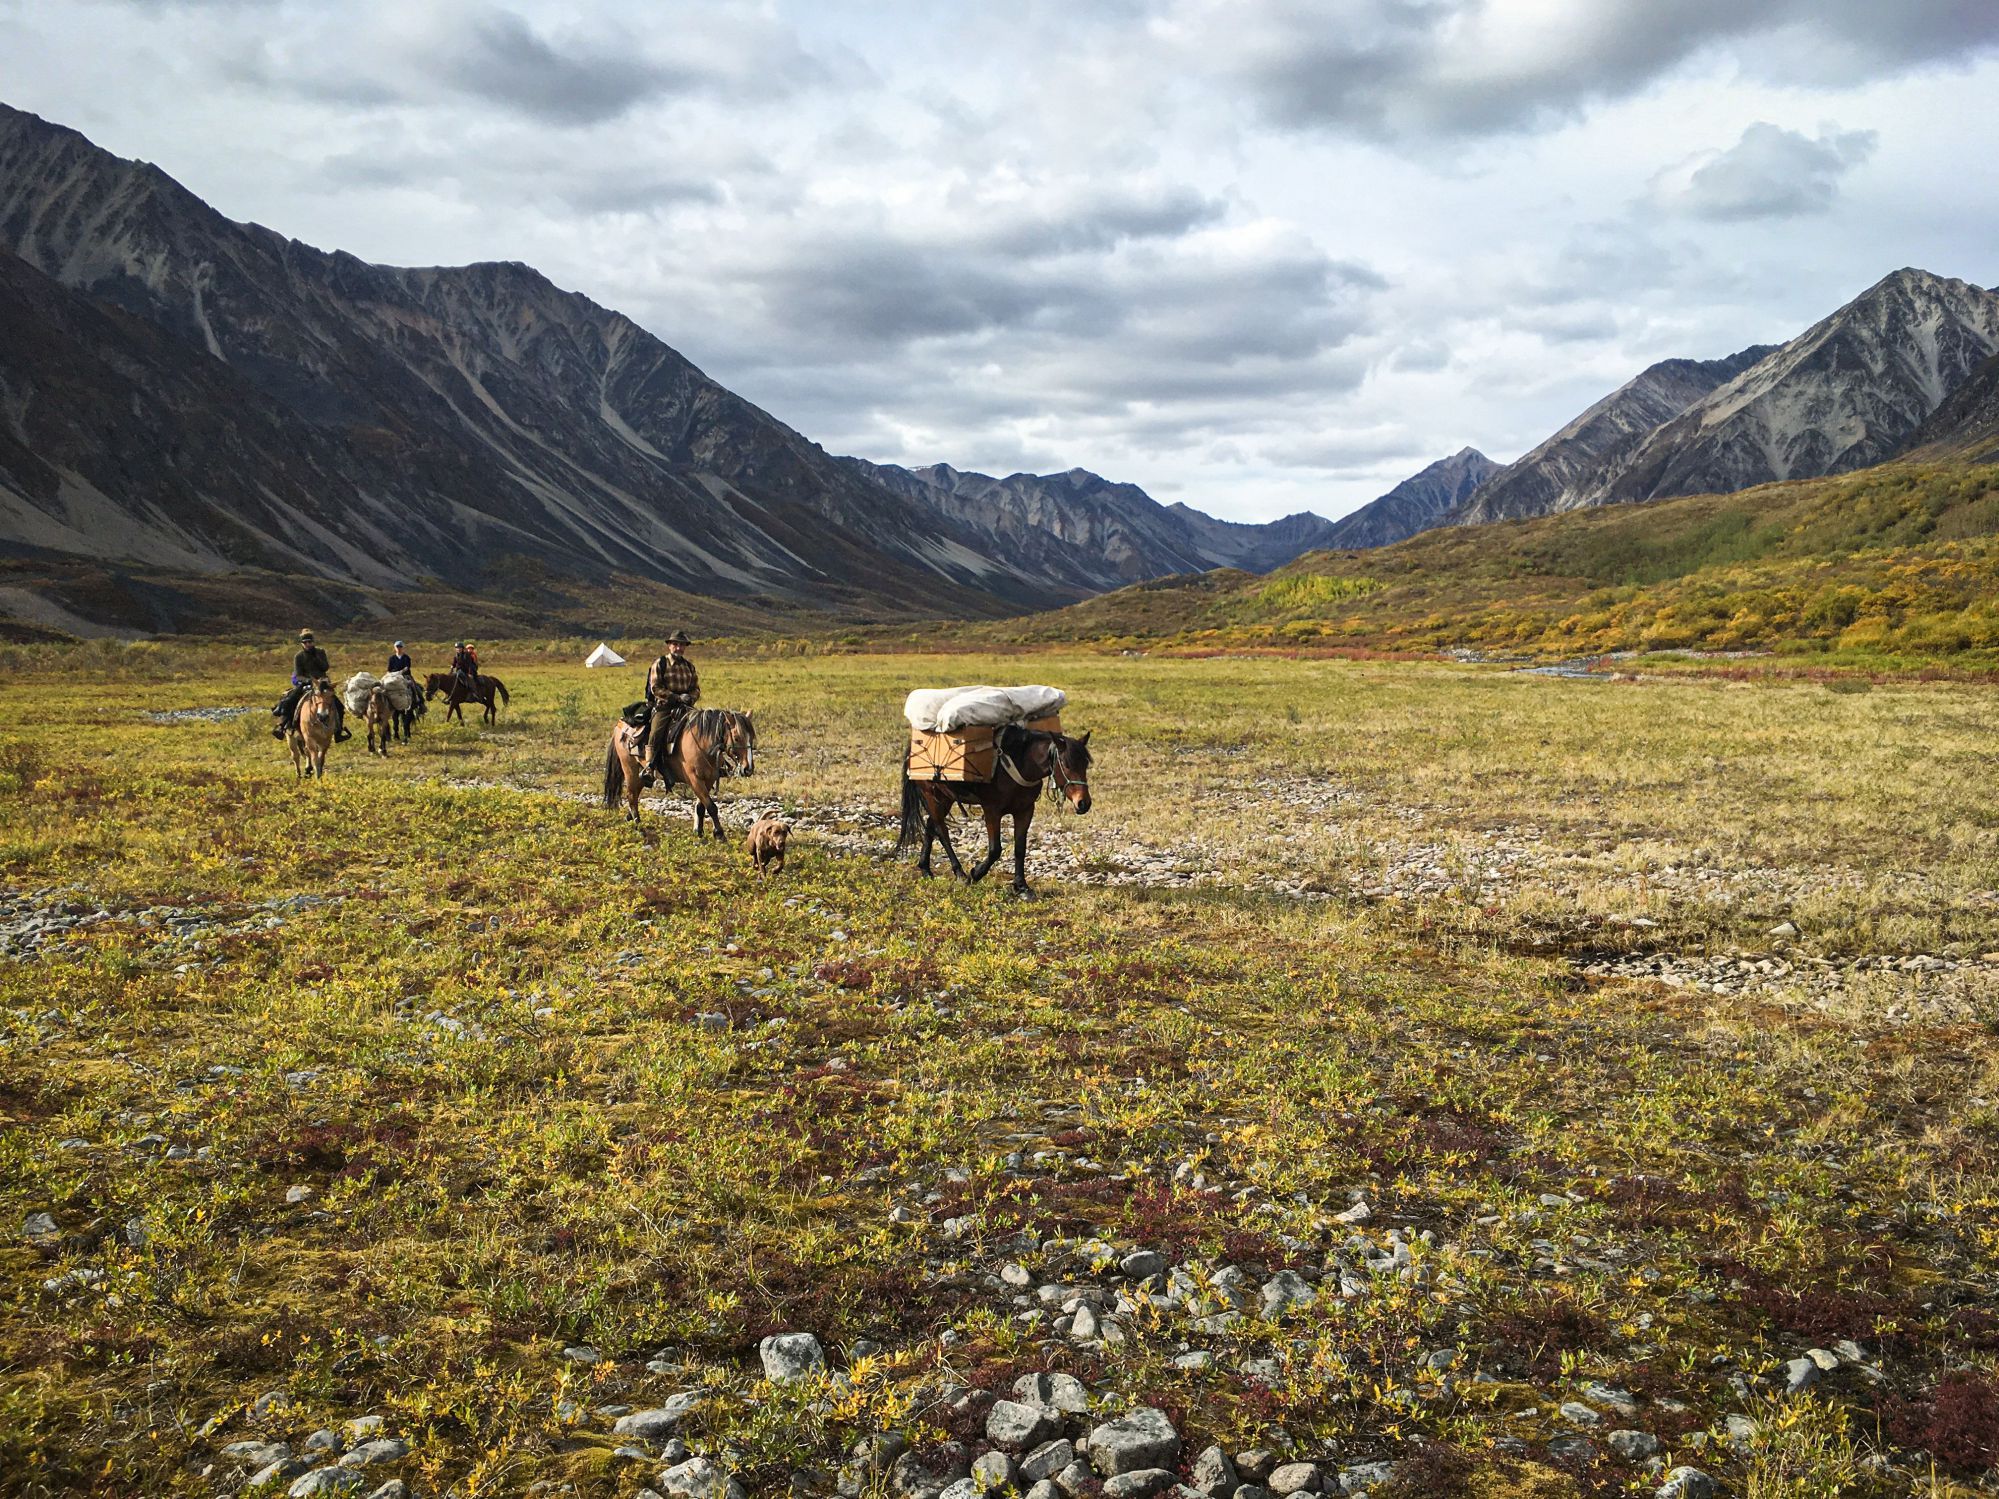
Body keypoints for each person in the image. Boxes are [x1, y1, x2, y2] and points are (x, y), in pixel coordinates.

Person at [638, 630, 699, 775]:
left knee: (705, 728)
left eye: (682, 645)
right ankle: (649, 766)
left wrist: (691, 697)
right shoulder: (660, 663)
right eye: (676, 644)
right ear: (669, 646)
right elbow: (655, 688)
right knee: (657, 732)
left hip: (686, 706)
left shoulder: (689, 666)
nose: (679, 648)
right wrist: (677, 698)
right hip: (665, 706)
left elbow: (696, 688)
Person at [271, 628, 349, 741]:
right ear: (302, 644)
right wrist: (308, 681)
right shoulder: (298, 656)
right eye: (305, 642)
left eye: (310, 642)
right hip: (305, 684)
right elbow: (298, 675)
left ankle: (338, 731)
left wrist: (315, 657)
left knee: (339, 706)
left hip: (322, 683)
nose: (308, 644)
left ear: (313, 642)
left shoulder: (320, 652)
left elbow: (325, 667)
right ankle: (282, 726)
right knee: (289, 701)